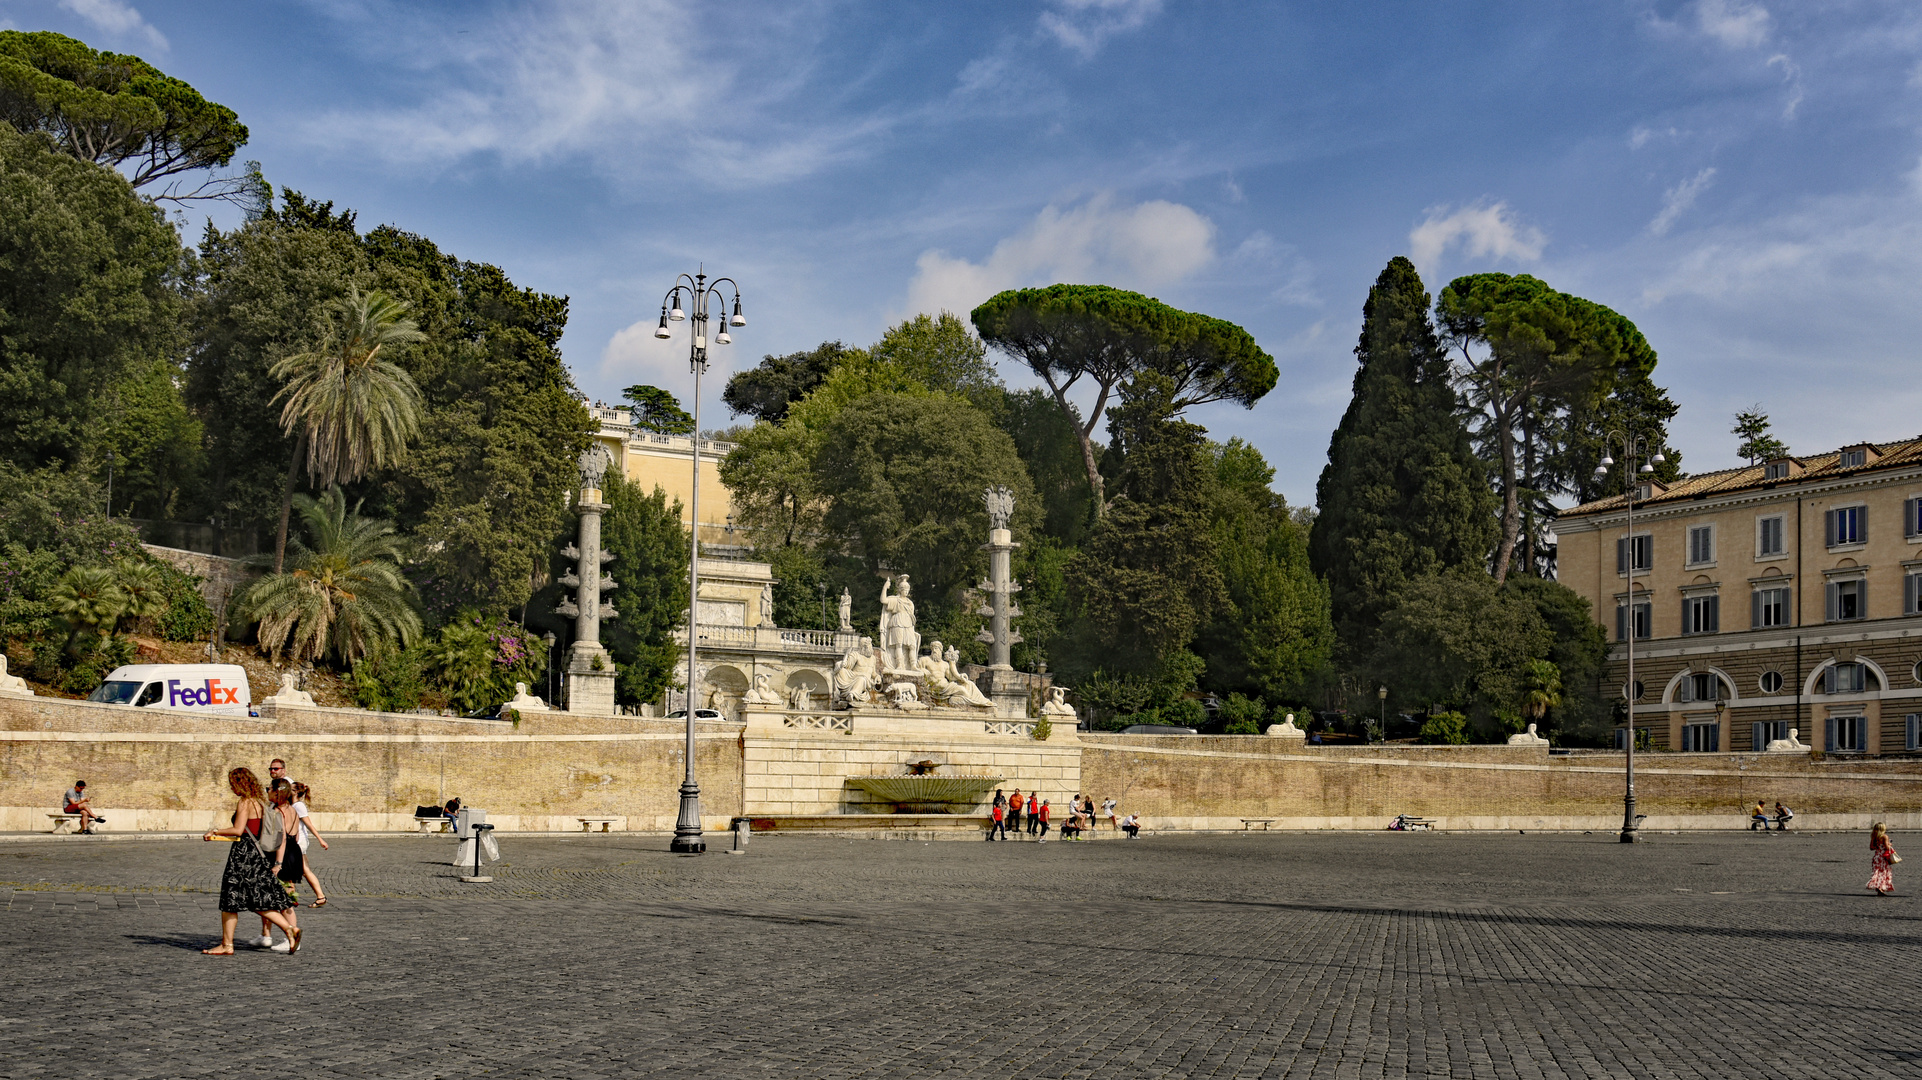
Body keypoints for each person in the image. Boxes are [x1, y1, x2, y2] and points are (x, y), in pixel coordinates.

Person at [200, 767, 300, 955]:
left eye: (233, 784)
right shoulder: (260, 803)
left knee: (230, 900)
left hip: (242, 856)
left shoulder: (245, 802)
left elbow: (238, 830)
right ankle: (290, 929)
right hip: (257, 855)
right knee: (258, 900)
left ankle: (227, 945)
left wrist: (215, 831)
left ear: (240, 783)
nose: (232, 788)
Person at [291, 782, 329, 907]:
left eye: (290, 789)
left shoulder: (298, 806)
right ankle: (319, 896)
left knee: (303, 869)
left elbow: (309, 824)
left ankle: (320, 896)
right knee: (303, 869)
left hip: (299, 841)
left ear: (296, 792)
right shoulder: (293, 805)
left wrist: (320, 839)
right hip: (297, 841)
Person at [1869, 822, 1899, 896]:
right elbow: (1887, 847)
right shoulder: (1884, 836)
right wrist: (1890, 844)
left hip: (1876, 857)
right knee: (1883, 872)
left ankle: (1878, 887)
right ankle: (1880, 887)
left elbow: (1871, 848)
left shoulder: (1874, 837)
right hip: (1883, 857)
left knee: (1877, 872)